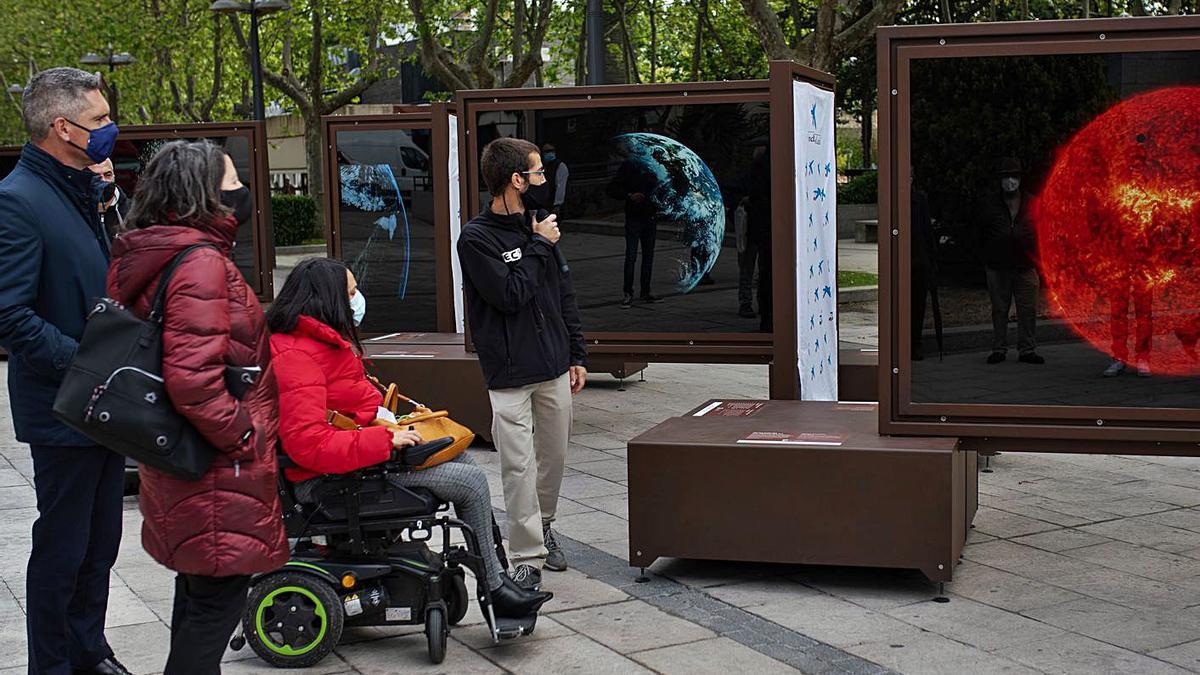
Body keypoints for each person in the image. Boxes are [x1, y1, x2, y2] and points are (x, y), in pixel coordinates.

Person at [267, 257, 553, 619]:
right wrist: (385, 442)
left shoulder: (319, 342)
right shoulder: (297, 356)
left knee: (458, 456)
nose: (358, 299)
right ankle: (495, 587)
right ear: (327, 301)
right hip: (324, 482)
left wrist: (385, 421)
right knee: (470, 481)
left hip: (351, 462)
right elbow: (308, 445)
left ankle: (497, 578)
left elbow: (345, 403)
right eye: (352, 293)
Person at [106, 140, 288, 673]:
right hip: (216, 467)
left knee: (199, 594)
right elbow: (191, 379)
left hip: (184, 459)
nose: (242, 193)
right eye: (232, 182)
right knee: (215, 604)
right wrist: (243, 436)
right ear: (203, 194)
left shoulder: (155, 252)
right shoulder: (202, 263)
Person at [0, 67, 129, 675]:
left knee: (101, 545)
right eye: (100, 119)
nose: (110, 129)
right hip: (63, 409)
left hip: (103, 405)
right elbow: (9, 315)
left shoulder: (80, 194)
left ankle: (89, 651)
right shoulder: (18, 200)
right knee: (64, 549)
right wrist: (85, 366)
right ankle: (52, 665)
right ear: (62, 127)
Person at [457, 138, 587, 591]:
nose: (544, 181)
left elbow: (562, 293)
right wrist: (537, 245)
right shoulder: (475, 238)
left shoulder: (540, 229)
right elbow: (509, 295)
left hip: (552, 365)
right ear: (516, 180)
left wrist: (576, 353)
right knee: (518, 466)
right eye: (538, 173)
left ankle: (545, 524)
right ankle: (527, 554)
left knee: (553, 458)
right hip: (510, 374)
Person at [978, 157, 1044, 365]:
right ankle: (999, 348)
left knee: (1028, 309)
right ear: (1000, 180)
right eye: (1006, 177)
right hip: (998, 266)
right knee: (999, 309)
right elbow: (980, 234)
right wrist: (987, 258)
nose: (1010, 181)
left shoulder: (1032, 203)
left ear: (1020, 178)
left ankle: (1027, 349)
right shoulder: (990, 204)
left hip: (1025, 266)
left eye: (1013, 176)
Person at [608, 157, 663, 308]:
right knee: (631, 256)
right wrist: (630, 196)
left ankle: (645, 290)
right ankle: (628, 292)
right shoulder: (629, 166)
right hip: (634, 217)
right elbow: (613, 188)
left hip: (649, 216)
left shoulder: (653, 166)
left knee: (648, 255)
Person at [910, 173, 937, 361]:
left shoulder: (919, 200)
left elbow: (927, 231)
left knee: (918, 305)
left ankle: (915, 343)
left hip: (918, 261)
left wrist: (931, 260)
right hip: (911, 259)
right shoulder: (910, 200)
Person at [89, 157, 128, 240]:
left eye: (108, 175)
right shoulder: (76, 211)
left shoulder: (132, 212)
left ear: (114, 176)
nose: (103, 181)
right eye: (96, 177)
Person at [525, 143, 569, 216]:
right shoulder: (544, 166)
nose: (548, 153)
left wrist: (558, 204)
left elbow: (561, 186)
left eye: (550, 151)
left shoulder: (560, 166)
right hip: (546, 203)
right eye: (546, 151)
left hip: (555, 203)